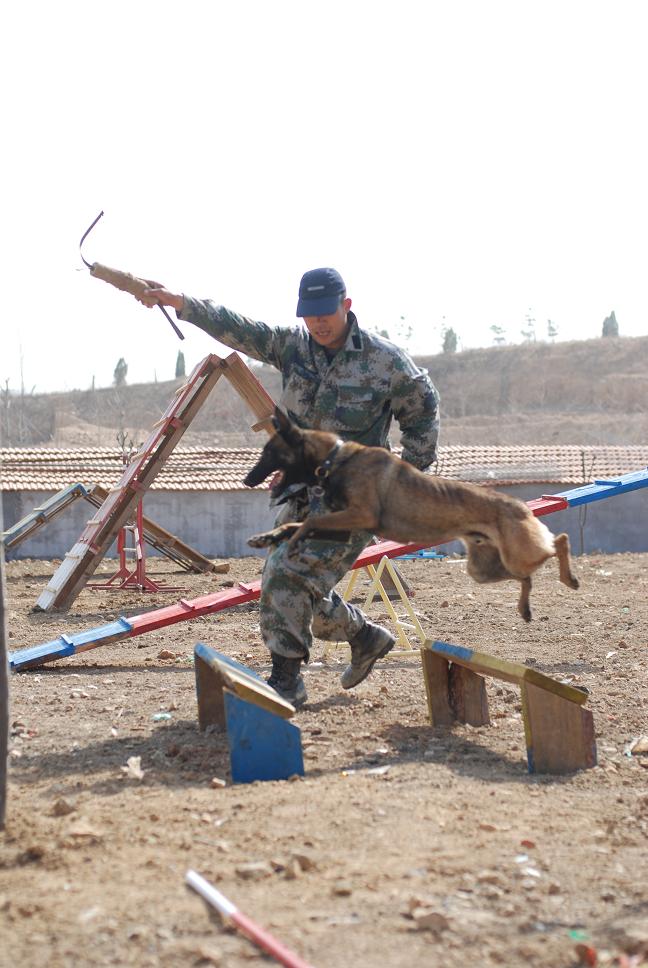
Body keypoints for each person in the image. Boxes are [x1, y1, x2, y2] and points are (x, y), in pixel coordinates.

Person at [136, 268, 440, 708]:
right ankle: (363, 636)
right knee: (290, 582)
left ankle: (286, 680)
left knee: (287, 574)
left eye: (326, 314)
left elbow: (423, 411)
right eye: (309, 316)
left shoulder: (384, 361)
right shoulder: (294, 348)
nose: (318, 324)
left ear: (346, 307)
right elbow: (239, 329)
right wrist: (182, 303)